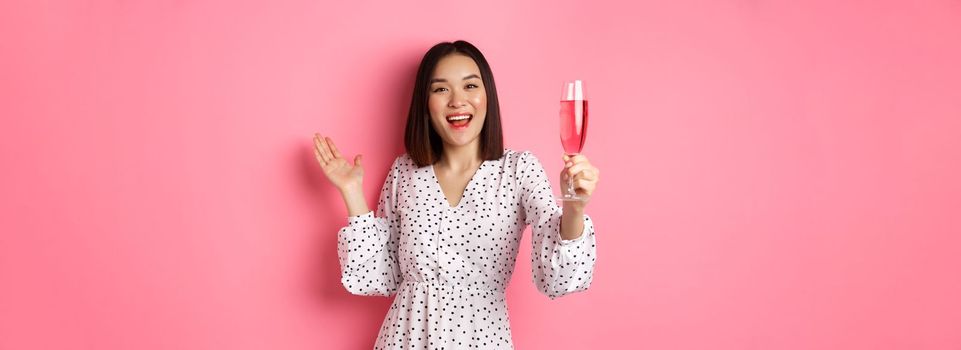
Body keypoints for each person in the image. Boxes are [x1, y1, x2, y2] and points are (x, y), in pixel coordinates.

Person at [312, 40, 600, 349]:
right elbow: (380, 277)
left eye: (470, 86)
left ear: (487, 95)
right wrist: (352, 192)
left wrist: (574, 207)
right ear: (425, 102)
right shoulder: (404, 172)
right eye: (441, 89)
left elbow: (558, 279)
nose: (457, 101)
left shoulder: (519, 170)